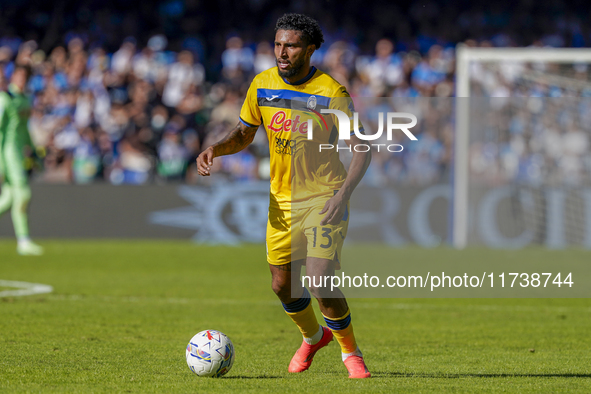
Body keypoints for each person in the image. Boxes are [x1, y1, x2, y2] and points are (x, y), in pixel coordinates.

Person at [197, 14, 372, 378]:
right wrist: (216, 148)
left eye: (291, 45)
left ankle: (350, 353)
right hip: (282, 201)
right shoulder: (262, 85)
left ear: (309, 49)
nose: (282, 52)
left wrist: (342, 195)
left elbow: (363, 149)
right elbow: (245, 133)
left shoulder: (332, 92)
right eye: (278, 44)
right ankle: (313, 337)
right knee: (281, 284)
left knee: (320, 278)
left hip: (324, 197)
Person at [0, 64, 44, 256]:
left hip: (19, 151)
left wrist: (32, 152)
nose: (21, 80)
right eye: (18, 76)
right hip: (8, 152)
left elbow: (24, 129)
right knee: (24, 194)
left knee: (9, 199)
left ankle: (24, 241)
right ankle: (23, 241)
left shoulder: (25, 99)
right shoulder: (4, 99)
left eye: (25, 77)